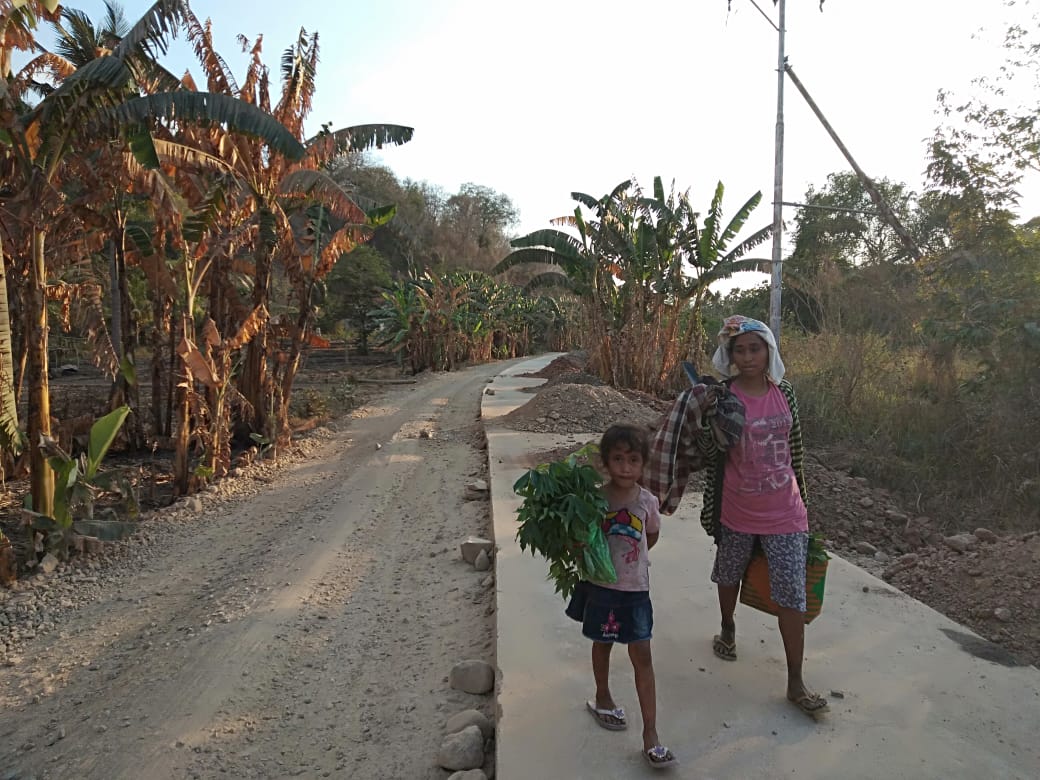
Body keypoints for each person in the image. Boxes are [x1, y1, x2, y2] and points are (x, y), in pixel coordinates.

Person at [699, 315, 830, 719]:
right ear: (730, 355)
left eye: (755, 348)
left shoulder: (784, 393)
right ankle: (727, 626)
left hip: (786, 511)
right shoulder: (723, 396)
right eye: (740, 350)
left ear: (768, 350)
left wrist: (804, 502)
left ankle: (795, 682)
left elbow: (797, 451)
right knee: (728, 575)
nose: (748, 356)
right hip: (737, 508)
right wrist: (705, 417)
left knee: (792, 595)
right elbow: (709, 454)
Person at [565, 424, 678, 769]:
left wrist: (632, 561)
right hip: (601, 589)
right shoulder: (594, 500)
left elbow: (651, 537)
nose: (626, 467)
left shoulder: (647, 502)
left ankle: (651, 734)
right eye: (618, 459)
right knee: (602, 643)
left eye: (633, 460)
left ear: (643, 464)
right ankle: (602, 696)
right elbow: (577, 540)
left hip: (635, 591)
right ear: (605, 463)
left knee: (642, 654)